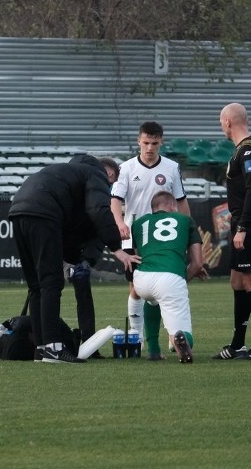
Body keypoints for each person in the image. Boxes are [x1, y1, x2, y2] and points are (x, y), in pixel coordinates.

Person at [9, 154, 139, 364]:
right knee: (51, 283)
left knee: (36, 286)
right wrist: (117, 248)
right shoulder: (95, 174)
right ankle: (54, 349)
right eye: (111, 182)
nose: (110, 187)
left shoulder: (66, 172)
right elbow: (98, 209)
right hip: (44, 212)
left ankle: (41, 349)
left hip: (18, 210)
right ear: (108, 173)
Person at [111, 122, 190, 348]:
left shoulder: (171, 167)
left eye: (154, 143)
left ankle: (174, 336)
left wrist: (187, 230)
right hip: (134, 235)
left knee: (167, 288)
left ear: (161, 142)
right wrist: (119, 223)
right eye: (146, 142)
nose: (149, 148)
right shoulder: (125, 168)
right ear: (139, 141)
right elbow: (115, 200)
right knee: (136, 288)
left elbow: (181, 202)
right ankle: (137, 337)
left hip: (164, 237)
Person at [212, 103, 251, 361]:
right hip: (242, 222)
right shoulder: (241, 151)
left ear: (227, 122)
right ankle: (238, 344)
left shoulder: (248, 151)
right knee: (237, 281)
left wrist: (243, 227)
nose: (221, 128)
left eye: (220, 123)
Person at [130, 191, 208, 363]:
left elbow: (140, 256)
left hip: (142, 279)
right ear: (172, 206)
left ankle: (153, 350)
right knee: (182, 334)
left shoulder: (138, 223)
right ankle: (178, 342)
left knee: (152, 300)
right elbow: (197, 264)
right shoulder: (186, 220)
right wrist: (181, 277)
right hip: (170, 278)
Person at [62, 157, 120, 359]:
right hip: (55, 241)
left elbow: (96, 238)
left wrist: (85, 261)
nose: (107, 181)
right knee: (47, 290)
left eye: (110, 180)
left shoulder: (93, 203)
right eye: (108, 176)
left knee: (82, 289)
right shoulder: (72, 188)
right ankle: (45, 340)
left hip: (72, 252)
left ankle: (88, 344)